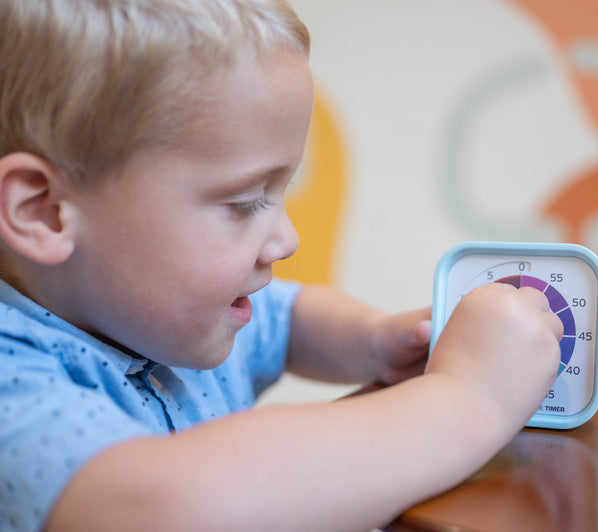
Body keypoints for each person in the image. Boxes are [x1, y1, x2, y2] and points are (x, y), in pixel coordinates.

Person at [0, 1, 563, 530]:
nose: (287, 238)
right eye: (244, 202)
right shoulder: (13, 387)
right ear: (45, 211)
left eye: (282, 189)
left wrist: (374, 339)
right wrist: (466, 400)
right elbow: (169, 505)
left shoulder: (170, 314)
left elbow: (289, 318)